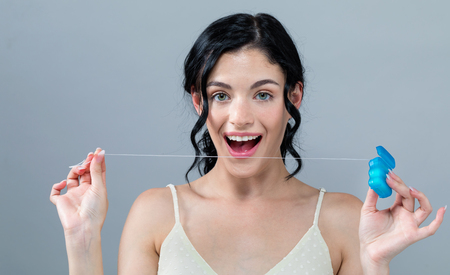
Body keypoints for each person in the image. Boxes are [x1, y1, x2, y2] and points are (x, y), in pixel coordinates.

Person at [50, 13, 446, 275]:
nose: (240, 118)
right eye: (221, 95)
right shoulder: (155, 214)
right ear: (198, 101)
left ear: (294, 98)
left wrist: (375, 262)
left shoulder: (344, 219)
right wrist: (81, 239)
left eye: (262, 94)